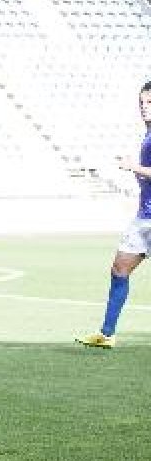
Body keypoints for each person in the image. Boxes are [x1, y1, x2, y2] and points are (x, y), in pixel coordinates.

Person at [76, 80, 151, 349]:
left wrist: (134, 167)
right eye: (141, 103)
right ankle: (107, 334)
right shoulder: (147, 134)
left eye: (150, 103)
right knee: (119, 269)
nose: (144, 108)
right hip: (144, 217)